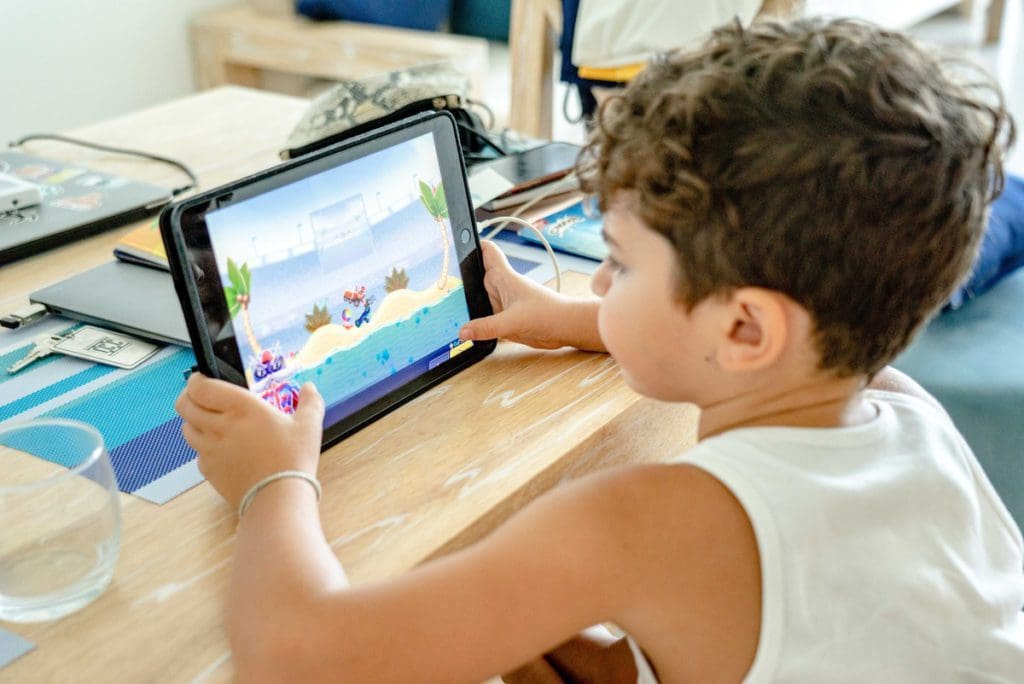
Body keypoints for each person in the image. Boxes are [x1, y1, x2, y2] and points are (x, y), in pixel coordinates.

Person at [175, 17, 1024, 682]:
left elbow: (297, 658)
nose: (598, 288)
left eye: (616, 264)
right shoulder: (907, 412)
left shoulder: (642, 523)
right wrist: (562, 318)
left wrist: (270, 482)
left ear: (743, 331)